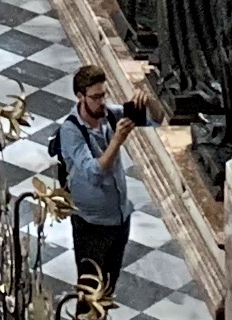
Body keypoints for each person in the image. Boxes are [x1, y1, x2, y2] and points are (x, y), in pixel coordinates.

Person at [49, 59, 147, 301]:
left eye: (103, 95)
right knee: (90, 293)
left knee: (108, 290)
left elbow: (155, 119)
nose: (102, 101)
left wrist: (147, 101)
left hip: (118, 218)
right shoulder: (71, 131)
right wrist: (117, 141)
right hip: (91, 225)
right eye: (95, 97)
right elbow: (94, 172)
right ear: (80, 96)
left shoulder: (109, 114)